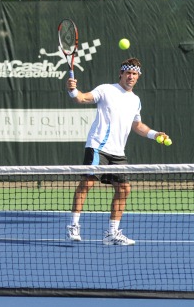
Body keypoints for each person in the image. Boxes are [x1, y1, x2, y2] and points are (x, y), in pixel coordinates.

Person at [65, 58, 168, 245]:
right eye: (128, 73)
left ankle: (111, 233)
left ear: (138, 77)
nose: (131, 76)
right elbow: (81, 98)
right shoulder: (106, 90)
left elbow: (137, 125)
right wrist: (73, 90)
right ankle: (74, 226)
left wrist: (154, 134)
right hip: (98, 147)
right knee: (87, 183)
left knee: (124, 189)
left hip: (118, 152)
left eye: (134, 74)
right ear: (121, 73)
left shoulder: (135, 100)